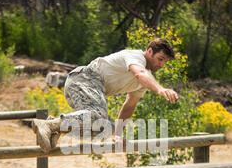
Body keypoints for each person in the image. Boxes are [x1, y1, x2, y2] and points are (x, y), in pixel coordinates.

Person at [32, 38, 179, 152]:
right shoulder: (135, 56)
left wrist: (118, 134)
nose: (161, 65)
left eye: (165, 62)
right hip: (83, 79)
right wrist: (160, 89)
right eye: (160, 59)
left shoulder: (145, 80)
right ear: (149, 51)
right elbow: (140, 73)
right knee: (98, 114)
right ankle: (48, 125)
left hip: (91, 89)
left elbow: (129, 106)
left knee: (105, 128)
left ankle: (57, 127)